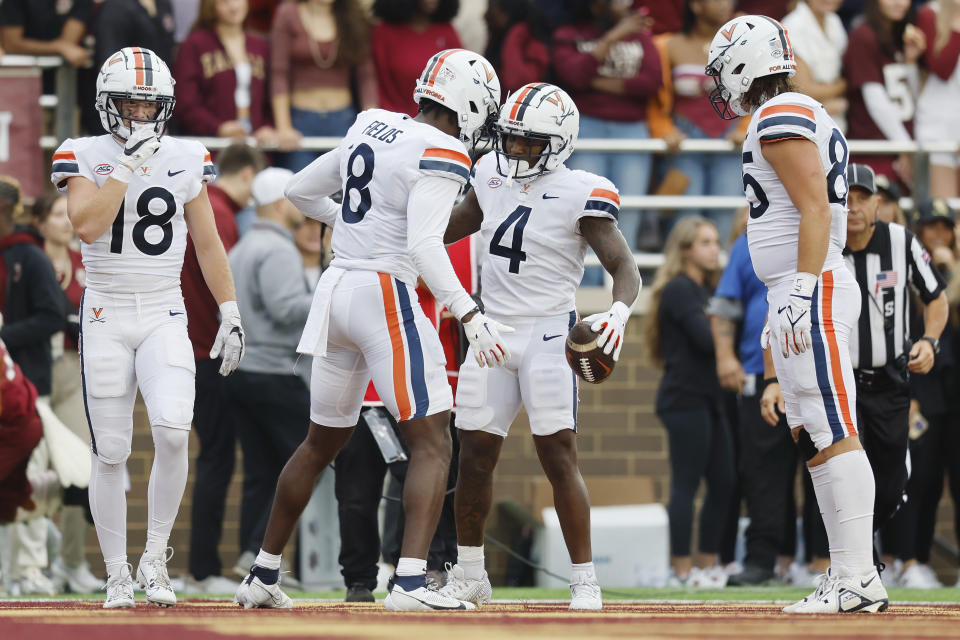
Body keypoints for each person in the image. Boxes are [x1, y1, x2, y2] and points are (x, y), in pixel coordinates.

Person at [233, 48, 510, 612]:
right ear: (471, 104)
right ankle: (409, 583)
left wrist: (355, 225)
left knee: (319, 443)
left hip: (336, 290)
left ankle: (262, 574)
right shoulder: (443, 149)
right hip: (385, 293)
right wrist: (469, 313)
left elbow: (300, 193)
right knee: (433, 441)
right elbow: (423, 248)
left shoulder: (372, 124)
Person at [51, 46, 245, 608]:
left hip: (164, 309)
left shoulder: (187, 156)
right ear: (107, 105)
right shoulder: (82, 153)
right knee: (110, 450)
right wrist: (129, 168)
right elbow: (86, 226)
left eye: (149, 104)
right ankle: (116, 573)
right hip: (107, 309)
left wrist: (230, 310)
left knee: (172, 429)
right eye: (129, 104)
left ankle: (154, 558)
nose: (139, 114)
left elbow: (207, 243)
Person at [437, 82, 641, 610]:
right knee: (475, 457)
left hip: (551, 332)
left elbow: (623, 267)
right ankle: (471, 572)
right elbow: (449, 229)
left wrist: (618, 310)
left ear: (560, 142)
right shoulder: (488, 172)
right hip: (492, 330)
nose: (516, 151)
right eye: (512, 139)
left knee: (558, 454)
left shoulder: (581, 191)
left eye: (530, 142)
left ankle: (584, 578)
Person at [708, 15, 887, 613]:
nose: (718, 85)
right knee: (811, 431)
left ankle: (860, 577)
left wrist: (800, 286)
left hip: (812, 284)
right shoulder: (787, 112)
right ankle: (844, 574)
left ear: (744, 63)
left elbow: (814, 209)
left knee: (833, 429)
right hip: (799, 285)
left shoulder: (780, 113)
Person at [840, 166, 948, 584]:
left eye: (861, 196)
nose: (852, 205)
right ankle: (855, 569)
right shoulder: (823, 245)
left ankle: (856, 558)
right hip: (841, 383)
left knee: (891, 483)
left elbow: (936, 298)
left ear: (877, 204)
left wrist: (930, 341)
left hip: (889, 381)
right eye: (844, 196)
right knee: (847, 477)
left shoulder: (901, 242)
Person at [225, 167, 315, 580]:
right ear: (282, 203)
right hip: (276, 372)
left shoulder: (244, 246)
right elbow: (285, 309)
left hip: (245, 370)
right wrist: (325, 296)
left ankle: (250, 553)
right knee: (300, 465)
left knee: (261, 473)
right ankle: (263, 555)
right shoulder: (277, 250)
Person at [181, 143, 260, 594]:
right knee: (216, 458)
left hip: (194, 346)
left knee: (212, 456)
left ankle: (200, 566)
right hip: (208, 350)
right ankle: (202, 567)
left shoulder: (208, 208)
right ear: (246, 174)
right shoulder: (219, 214)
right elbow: (227, 284)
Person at [645, 216, 733, 587]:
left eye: (716, 241)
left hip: (709, 399)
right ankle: (681, 570)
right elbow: (706, 340)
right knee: (686, 484)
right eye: (706, 242)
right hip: (684, 400)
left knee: (725, 482)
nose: (715, 249)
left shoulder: (705, 291)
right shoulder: (680, 289)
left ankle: (707, 565)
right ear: (685, 250)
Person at [29, 191, 104, 595]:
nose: (64, 221)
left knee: (81, 466)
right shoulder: (25, 262)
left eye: (67, 214)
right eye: (56, 214)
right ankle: (31, 562)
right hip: (31, 372)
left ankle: (72, 562)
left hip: (73, 372)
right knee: (32, 468)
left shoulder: (82, 263)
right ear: (39, 222)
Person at [552, 0, 662, 257]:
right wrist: (614, 36)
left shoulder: (641, 35)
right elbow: (573, 76)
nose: (627, 4)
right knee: (587, 208)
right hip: (588, 127)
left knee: (628, 210)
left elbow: (651, 82)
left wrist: (596, 82)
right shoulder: (568, 34)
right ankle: (587, 281)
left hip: (633, 129)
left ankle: (625, 277)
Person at [647, 0, 744, 245]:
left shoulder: (745, 44)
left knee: (726, 216)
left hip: (731, 140)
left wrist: (745, 129)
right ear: (696, 6)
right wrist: (665, 131)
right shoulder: (666, 45)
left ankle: (722, 282)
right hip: (683, 142)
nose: (726, 4)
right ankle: (677, 279)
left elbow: (756, 92)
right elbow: (653, 100)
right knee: (684, 220)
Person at [272, 0, 378, 172]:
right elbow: (279, 73)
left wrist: (370, 125)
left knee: (345, 189)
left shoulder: (353, 15)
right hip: (300, 122)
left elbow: (366, 77)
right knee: (302, 191)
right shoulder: (288, 14)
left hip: (344, 121)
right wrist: (283, 127)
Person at [842, 0, 925, 188]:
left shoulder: (901, 34)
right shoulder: (863, 36)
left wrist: (911, 62)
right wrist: (905, 147)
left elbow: (910, 98)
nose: (899, 3)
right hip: (874, 151)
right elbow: (875, 101)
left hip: (902, 148)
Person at [173, 0, 276, 144]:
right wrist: (218, 128)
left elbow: (272, 97)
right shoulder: (194, 45)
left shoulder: (260, 45)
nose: (233, 6)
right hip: (212, 147)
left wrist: (268, 127)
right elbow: (184, 103)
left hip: (256, 146)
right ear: (211, 6)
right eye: (224, 1)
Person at [370, 0, 461, 117]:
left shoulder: (447, 31)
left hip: (436, 126)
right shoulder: (383, 33)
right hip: (393, 122)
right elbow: (378, 86)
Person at [915, 0, 960, 199]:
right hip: (938, 125)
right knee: (946, 211)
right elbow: (942, 69)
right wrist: (956, 20)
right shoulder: (929, 14)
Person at [782, 0, 848, 132]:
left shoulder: (834, 21)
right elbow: (803, 89)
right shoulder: (792, 26)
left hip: (835, 125)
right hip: (804, 127)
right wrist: (842, 86)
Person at [484, 0, 551, 95]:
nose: (486, 15)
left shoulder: (531, 43)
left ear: (506, 12)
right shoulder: (497, 40)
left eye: (493, 8)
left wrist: (515, 34)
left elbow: (516, 82)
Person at [95, 1, 176, 71]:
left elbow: (169, 45)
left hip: (163, 80)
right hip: (132, 82)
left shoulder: (163, 4)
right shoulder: (116, 7)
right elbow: (109, 61)